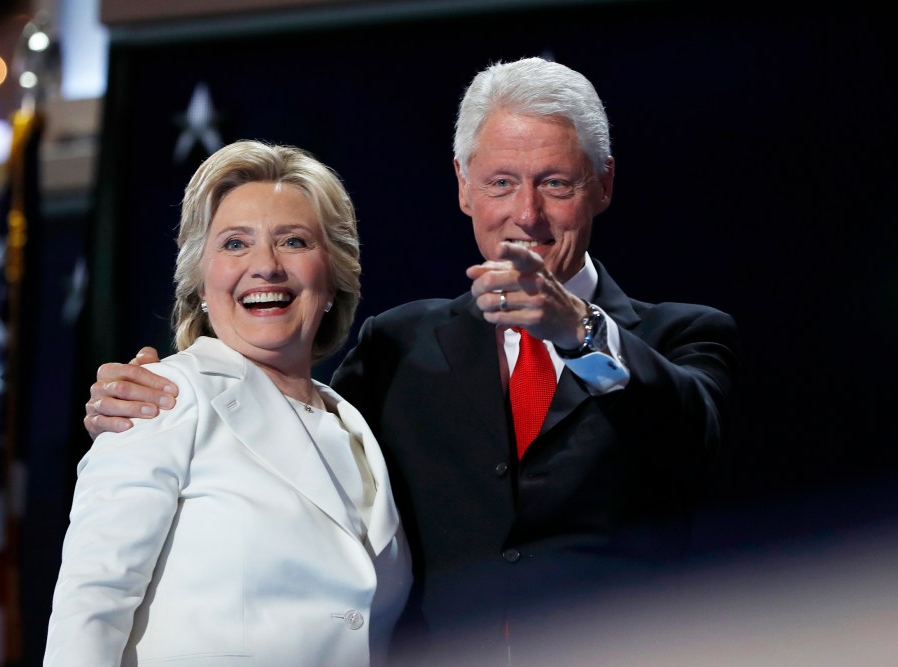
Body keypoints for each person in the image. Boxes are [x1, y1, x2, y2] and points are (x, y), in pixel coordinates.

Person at [84, 57, 741, 664]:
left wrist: (579, 332)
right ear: (463, 187)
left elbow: (692, 438)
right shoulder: (397, 345)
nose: (527, 213)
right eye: (502, 183)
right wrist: (151, 400)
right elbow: (288, 450)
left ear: (603, 184)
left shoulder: (682, 337)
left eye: (556, 183)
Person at [45, 140, 412, 666]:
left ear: (333, 277)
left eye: (293, 241)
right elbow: (90, 607)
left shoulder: (357, 428)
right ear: (199, 281)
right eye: (236, 244)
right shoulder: (163, 398)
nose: (265, 266)